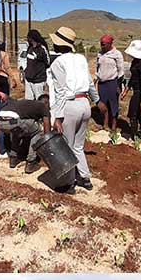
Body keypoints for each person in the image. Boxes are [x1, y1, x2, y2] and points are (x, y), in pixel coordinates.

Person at [48, 26, 100, 194]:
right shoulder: (80, 59)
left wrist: (57, 116)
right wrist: (97, 100)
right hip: (84, 103)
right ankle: (85, 178)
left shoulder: (58, 62)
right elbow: (90, 83)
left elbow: (61, 91)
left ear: (59, 45)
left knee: (67, 146)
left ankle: (68, 183)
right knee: (78, 145)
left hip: (70, 106)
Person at [0, 95, 51, 173]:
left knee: (17, 131)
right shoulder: (43, 106)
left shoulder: (27, 103)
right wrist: (48, 145)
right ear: (47, 103)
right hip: (13, 120)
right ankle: (31, 162)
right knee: (38, 131)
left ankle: (13, 158)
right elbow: (47, 130)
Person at [95, 34, 125, 134]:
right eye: (101, 44)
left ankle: (113, 126)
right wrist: (96, 79)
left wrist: (118, 85)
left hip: (112, 83)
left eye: (104, 44)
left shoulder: (116, 54)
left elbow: (121, 71)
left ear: (110, 44)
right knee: (103, 104)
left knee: (113, 105)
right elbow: (98, 68)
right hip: (102, 83)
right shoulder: (100, 54)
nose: (102, 46)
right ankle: (105, 124)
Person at [122, 40, 141, 140]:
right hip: (137, 91)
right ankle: (137, 135)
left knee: (137, 115)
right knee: (135, 114)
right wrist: (126, 90)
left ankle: (140, 136)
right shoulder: (135, 61)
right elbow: (133, 77)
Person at [24, 30, 50, 100]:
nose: (27, 39)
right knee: (28, 100)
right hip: (28, 79)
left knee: (39, 100)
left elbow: (48, 62)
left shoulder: (42, 49)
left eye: (28, 37)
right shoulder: (30, 48)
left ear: (32, 37)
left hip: (38, 80)